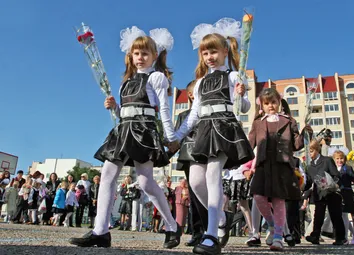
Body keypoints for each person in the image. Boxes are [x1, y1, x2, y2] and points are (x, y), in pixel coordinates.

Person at [69, 26, 181, 249]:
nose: (140, 57)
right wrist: (115, 107)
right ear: (130, 56)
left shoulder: (157, 78)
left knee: (145, 182)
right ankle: (101, 230)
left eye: (145, 53)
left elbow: (165, 110)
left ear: (154, 56)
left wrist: (171, 138)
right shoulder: (125, 82)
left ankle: (172, 225)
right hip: (123, 130)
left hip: (144, 131)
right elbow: (124, 111)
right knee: (108, 174)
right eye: (136, 53)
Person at [175, 18, 254, 254]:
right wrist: (176, 137)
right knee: (196, 181)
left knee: (212, 174)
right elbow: (193, 115)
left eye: (214, 51)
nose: (210, 56)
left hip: (224, 129)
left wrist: (242, 94)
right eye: (205, 53)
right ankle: (220, 218)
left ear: (224, 51)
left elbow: (244, 108)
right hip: (204, 130)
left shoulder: (232, 76)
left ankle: (211, 236)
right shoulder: (199, 83)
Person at [247, 88, 312, 251]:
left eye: (273, 102)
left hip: (282, 166)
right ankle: (271, 224)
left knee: (278, 200)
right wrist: (241, 165)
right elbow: (249, 145)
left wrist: (306, 134)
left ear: (279, 102)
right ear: (261, 105)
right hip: (263, 165)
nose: (271, 106)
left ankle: (278, 237)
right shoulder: (257, 122)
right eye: (267, 103)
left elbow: (296, 145)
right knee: (258, 197)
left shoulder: (289, 121)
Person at [171, 80, 209, 247]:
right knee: (194, 196)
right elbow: (177, 139)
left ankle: (213, 228)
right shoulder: (183, 115)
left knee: (210, 193)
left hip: (207, 155)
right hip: (189, 156)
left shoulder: (209, 113)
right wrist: (165, 155)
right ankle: (197, 232)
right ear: (192, 95)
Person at [304, 140, 347, 245]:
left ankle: (340, 238)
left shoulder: (327, 160)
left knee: (335, 215)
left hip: (331, 192)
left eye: (311, 151)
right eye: (309, 152)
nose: (310, 154)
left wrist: (334, 184)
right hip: (319, 194)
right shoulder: (309, 166)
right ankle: (315, 236)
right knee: (318, 215)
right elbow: (308, 182)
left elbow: (336, 174)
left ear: (317, 150)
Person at [332, 149, 354, 244]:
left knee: (344, 215)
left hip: (346, 193)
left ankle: (344, 237)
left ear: (345, 159)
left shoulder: (347, 168)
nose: (340, 161)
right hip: (336, 194)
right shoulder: (333, 168)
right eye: (337, 159)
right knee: (341, 216)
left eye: (341, 158)